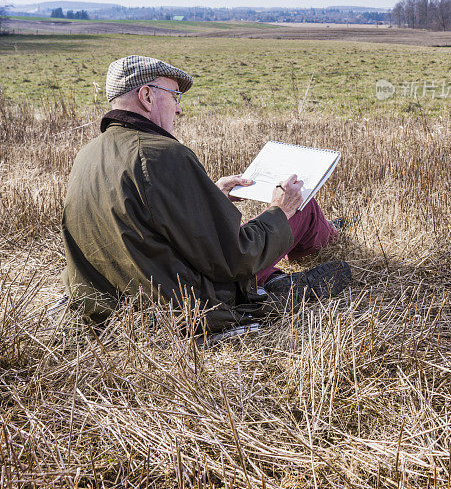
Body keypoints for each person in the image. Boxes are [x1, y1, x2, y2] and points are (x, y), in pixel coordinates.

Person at [61, 55, 351, 331]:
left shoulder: (87, 155)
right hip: (190, 308)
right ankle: (292, 273)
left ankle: (280, 273)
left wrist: (209, 196)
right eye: (175, 96)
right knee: (302, 207)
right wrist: (281, 209)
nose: (178, 108)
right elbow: (234, 257)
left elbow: (145, 224)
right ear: (147, 96)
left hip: (117, 308)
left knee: (277, 220)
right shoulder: (162, 155)